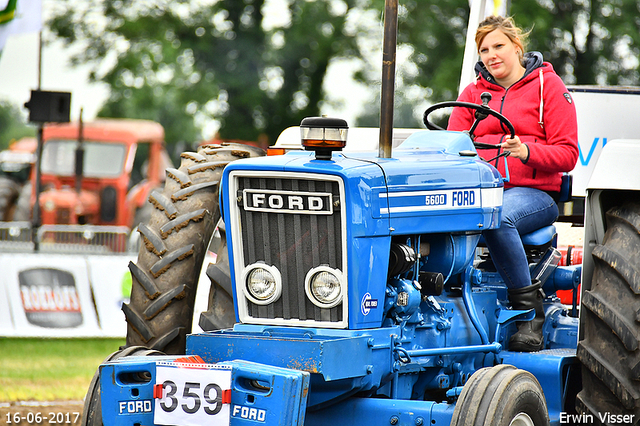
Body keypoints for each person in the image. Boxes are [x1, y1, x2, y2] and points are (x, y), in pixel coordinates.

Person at [447, 15, 579, 352]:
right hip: (479, 192)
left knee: (498, 216)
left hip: (535, 194)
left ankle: (528, 311)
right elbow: (449, 147)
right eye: (484, 49)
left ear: (516, 47)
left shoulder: (549, 88)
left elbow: (567, 154)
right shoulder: (473, 94)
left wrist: (526, 151)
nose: (491, 55)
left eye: (498, 46)